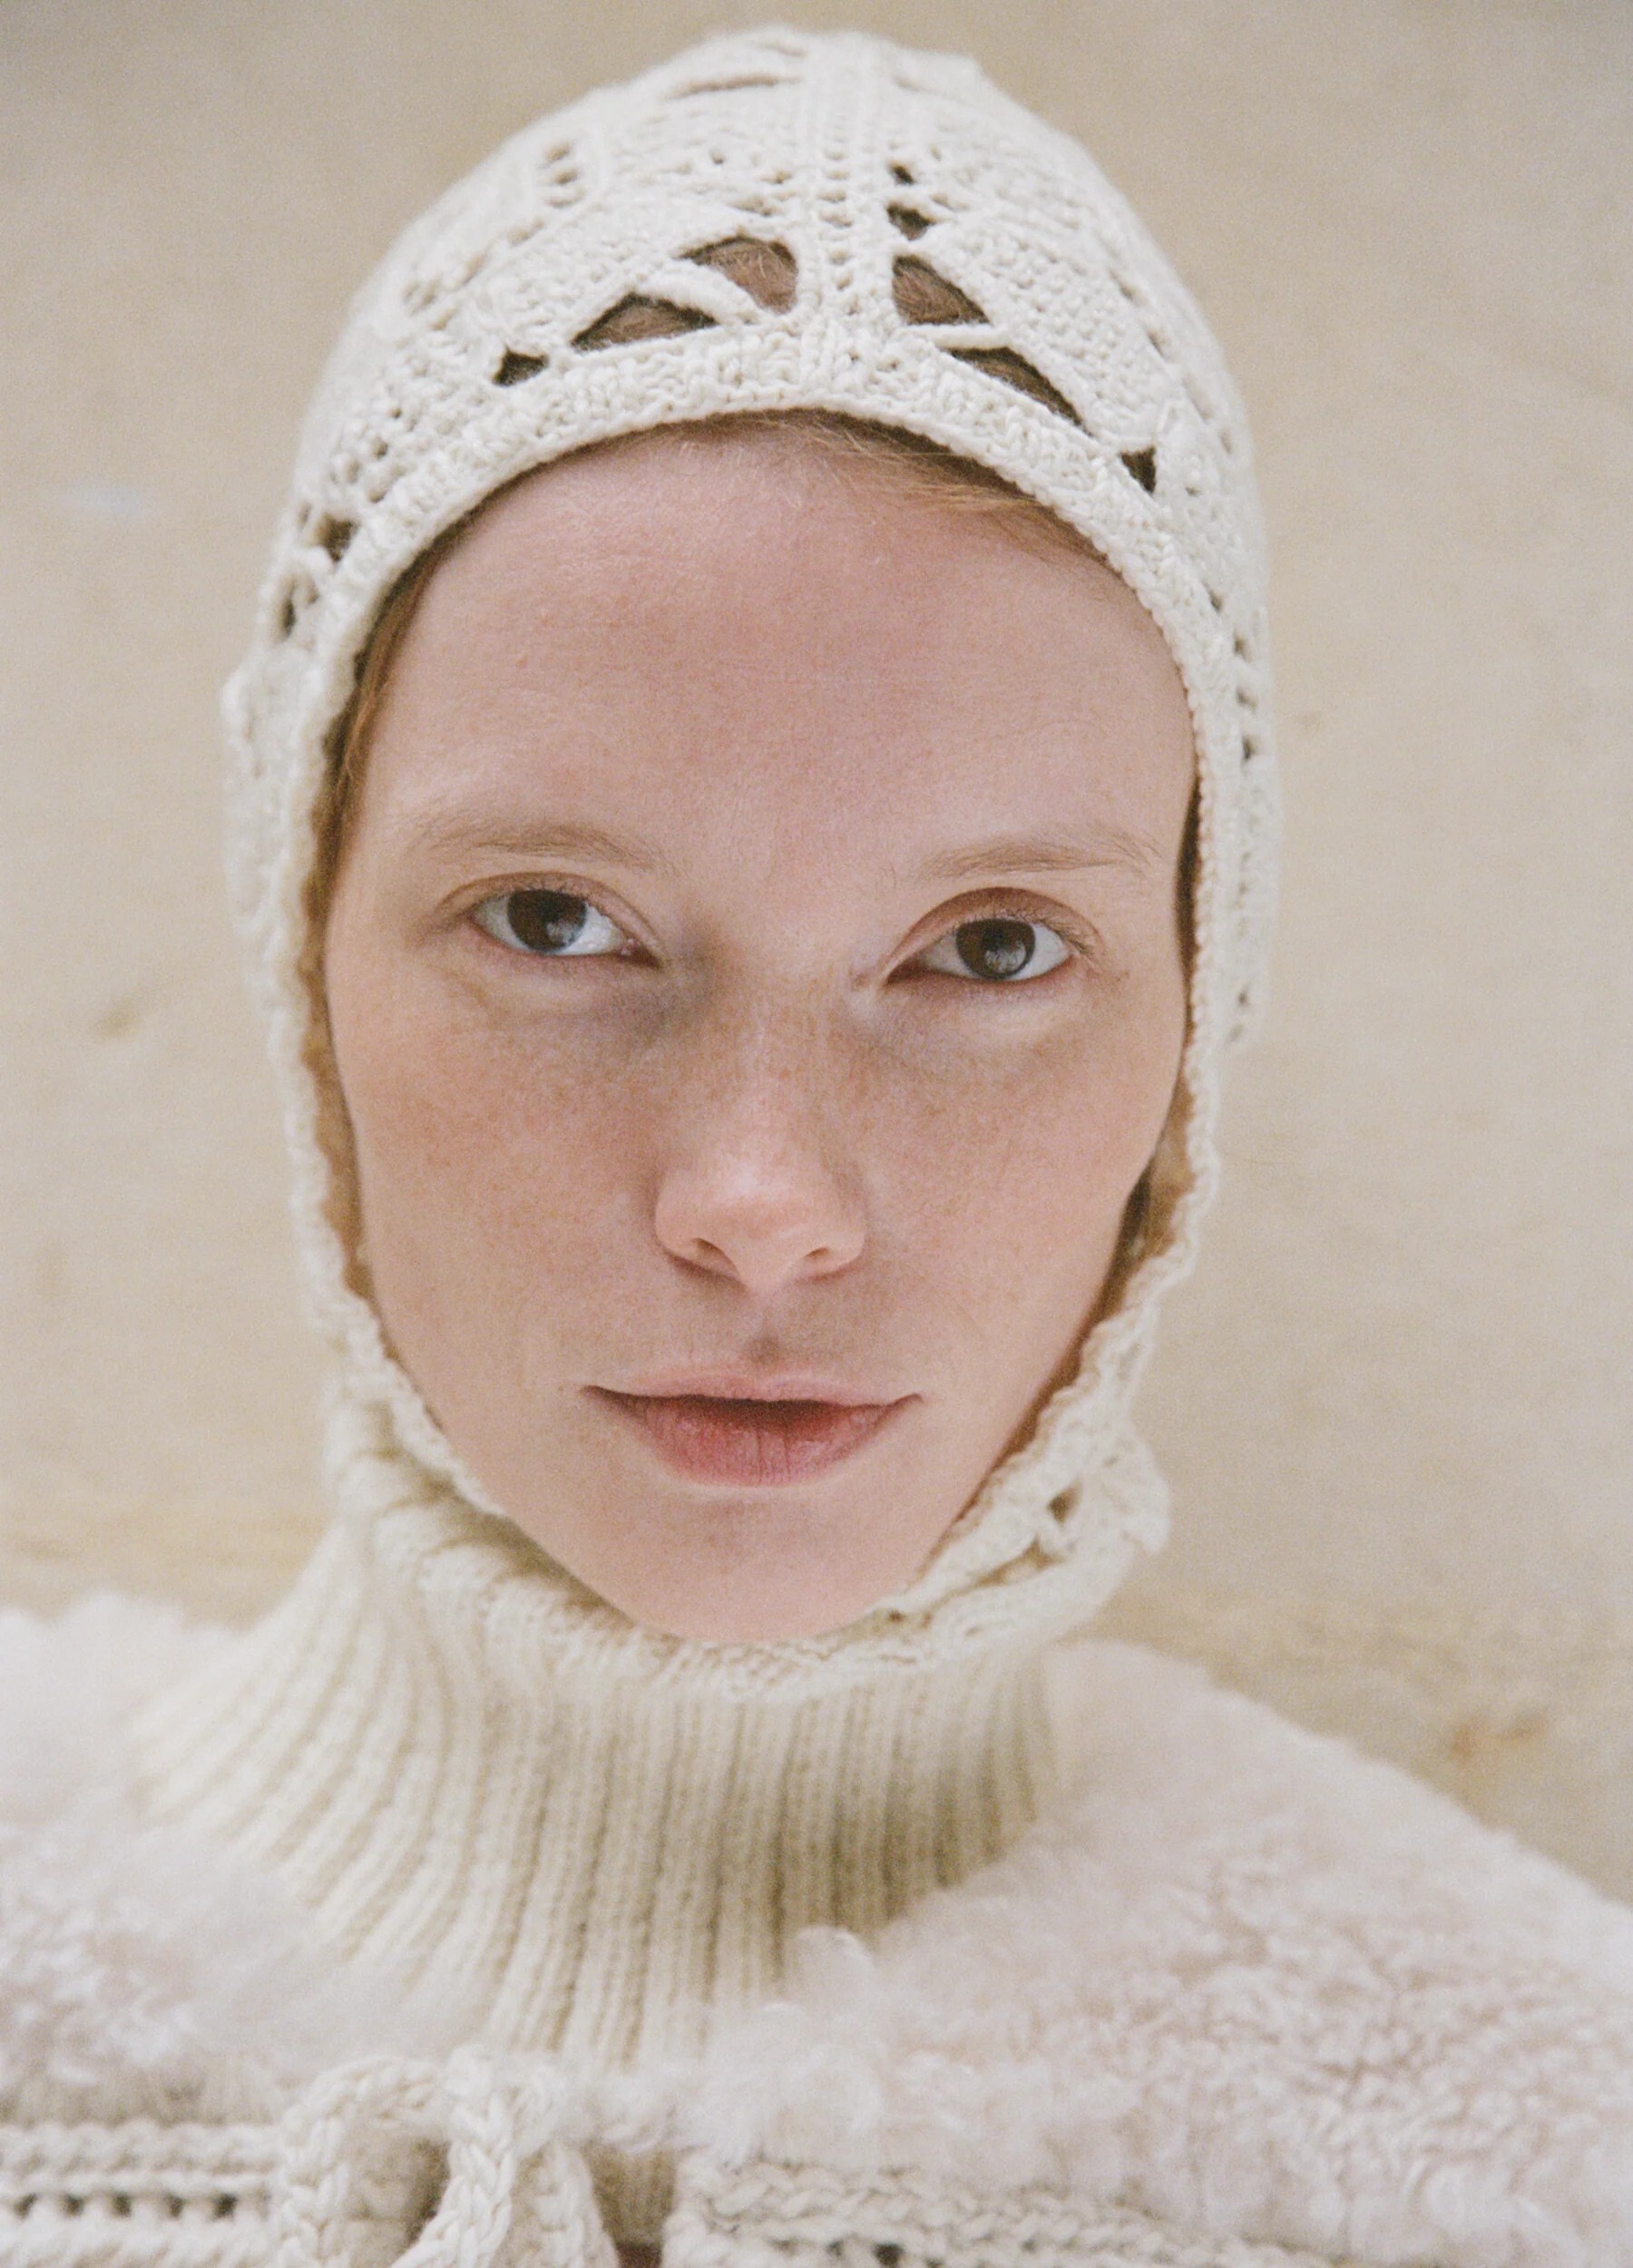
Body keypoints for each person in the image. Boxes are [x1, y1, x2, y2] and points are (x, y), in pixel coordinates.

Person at [3, 26, 1632, 2268]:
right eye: (555, 922)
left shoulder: (1529, 2164)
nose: (760, 1199)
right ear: (301, 947)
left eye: (988, 948)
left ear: (1196, 1016)